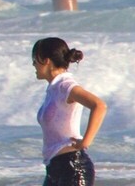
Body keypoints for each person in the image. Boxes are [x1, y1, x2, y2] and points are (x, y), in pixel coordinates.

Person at [31, 38, 106, 186]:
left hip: (73, 167)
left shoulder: (65, 85)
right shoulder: (53, 88)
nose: (33, 64)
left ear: (45, 60)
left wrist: (86, 141)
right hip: (54, 168)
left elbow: (99, 105)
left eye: (34, 60)